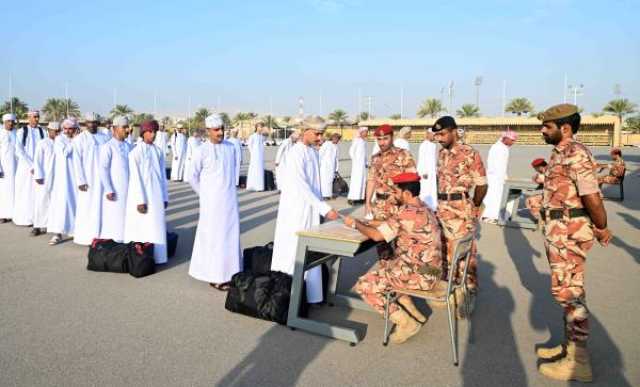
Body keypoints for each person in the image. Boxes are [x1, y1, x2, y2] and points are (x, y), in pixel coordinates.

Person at [536, 104, 611, 382]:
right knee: (568, 290)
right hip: (559, 231)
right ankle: (570, 347)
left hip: (569, 232)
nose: (543, 130)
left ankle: (578, 360)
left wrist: (602, 227)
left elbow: (592, 197)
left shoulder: (576, 153)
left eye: (548, 126)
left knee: (570, 294)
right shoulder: (560, 153)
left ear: (565, 128)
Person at [346, 172, 443, 344]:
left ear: (406, 194)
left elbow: (376, 236)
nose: (394, 195)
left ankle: (406, 323)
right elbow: (395, 223)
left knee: (364, 285)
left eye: (396, 192)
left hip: (419, 275)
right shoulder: (425, 207)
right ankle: (413, 312)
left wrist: (355, 224)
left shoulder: (406, 212)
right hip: (432, 271)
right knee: (389, 269)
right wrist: (369, 222)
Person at [271, 116, 339, 304]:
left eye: (321, 134)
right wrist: (324, 209)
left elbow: (313, 186)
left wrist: (321, 207)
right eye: (317, 134)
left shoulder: (312, 152)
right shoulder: (295, 154)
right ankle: (289, 299)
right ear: (305, 131)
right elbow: (301, 187)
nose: (320, 138)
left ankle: (310, 296)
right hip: (296, 212)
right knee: (293, 250)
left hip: (310, 210)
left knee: (310, 251)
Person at [432, 116, 487, 317]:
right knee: (445, 250)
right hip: (442, 207)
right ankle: (451, 289)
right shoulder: (441, 154)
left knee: (465, 253)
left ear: (454, 131)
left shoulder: (470, 153)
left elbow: (482, 184)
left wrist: (475, 205)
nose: (439, 138)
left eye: (442, 133)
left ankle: (469, 292)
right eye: (436, 134)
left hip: (460, 207)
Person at [188, 114, 241, 289]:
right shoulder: (201, 150)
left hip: (229, 201)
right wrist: (204, 195)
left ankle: (231, 273)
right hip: (211, 203)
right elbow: (192, 177)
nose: (220, 133)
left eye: (222, 129)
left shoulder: (230, 148)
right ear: (208, 131)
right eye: (217, 130)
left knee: (230, 237)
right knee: (214, 238)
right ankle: (215, 275)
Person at [124, 119, 169, 264]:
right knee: (141, 226)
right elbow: (136, 178)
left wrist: (165, 196)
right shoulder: (135, 153)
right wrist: (140, 200)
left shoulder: (158, 151)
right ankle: (142, 258)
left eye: (155, 131)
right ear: (144, 133)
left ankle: (158, 257)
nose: (153, 134)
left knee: (157, 225)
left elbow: (162, 176)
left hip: (156, 196)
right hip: (141, 197)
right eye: (150, 131)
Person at [365, 124, 417, 222]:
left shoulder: (404, 154)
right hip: (380, 206)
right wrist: (367, 203)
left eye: (385, 138)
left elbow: (413, 182)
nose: (382, 142)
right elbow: (371, 180)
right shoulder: (375, 158)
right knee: (378, 235)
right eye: (379, 139)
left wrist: (410, 206)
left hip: (398, 207)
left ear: (392, 138)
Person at [72, 112, 110, 245]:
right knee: (86, 207)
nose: (92, 125)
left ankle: (101, 236)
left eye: (95, 122)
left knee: (102, 207)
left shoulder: (105, 138)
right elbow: (76, 162)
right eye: (89, 122)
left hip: (103, 180)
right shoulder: (79, 139)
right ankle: (86, 237)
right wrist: (80, 181)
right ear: (85, 124)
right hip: (87, 180)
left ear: (98, 124)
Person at [98, 116, 132, 242]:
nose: (127, 130)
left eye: (128, 127)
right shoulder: (108, 147)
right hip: (115, 190)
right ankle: (112, 245)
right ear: (115, 129)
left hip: (128, 189)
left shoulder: (129, 146)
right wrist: (108, 189)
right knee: (114, 217)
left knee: (126, 217)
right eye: (124, 127)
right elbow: (103, 169)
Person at [47, 119, 78, 245]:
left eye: (70, 128)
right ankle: (57, 233)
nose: (68, 131)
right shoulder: (59, 140)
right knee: (61, 205)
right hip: (63, 179)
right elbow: (64, 153)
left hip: (76, 177)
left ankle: (76, 231)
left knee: (75, 203)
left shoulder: (77, 139)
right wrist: (74, 141)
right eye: (65, 128)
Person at [14, 110, 45, 227]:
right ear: (29, 118)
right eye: (34, 117)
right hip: (26, 168)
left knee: (38, 193)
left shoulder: (42, 131)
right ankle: (25, 218)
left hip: (39, 167)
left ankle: (38, 219)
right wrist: (31, 165)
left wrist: (39, 166)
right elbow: (19, 150)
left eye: (38, 117)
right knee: (25, 193)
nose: (36, 119)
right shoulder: (22, 131)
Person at [481, 130, 518, 224]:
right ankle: (488, 216)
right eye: (512, 140)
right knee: (493, 197)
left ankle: (495, 216)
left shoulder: (503, 147)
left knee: (498, 197)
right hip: (494, 178)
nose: (513, 143)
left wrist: (505, 177)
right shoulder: (497, 148)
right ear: (506, 138)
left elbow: (502, 165)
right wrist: (499, 178)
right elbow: (494, 166)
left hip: (499, 178)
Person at [32, 121, 60, 236]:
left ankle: (55, 226)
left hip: (58, 177)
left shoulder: (61, 142)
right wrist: (38, 175)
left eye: (59, 131)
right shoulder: (42, 143)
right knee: (41, 201)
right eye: (55, 131)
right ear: (49, 131)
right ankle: (37, 226)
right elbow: (37, 160)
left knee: (56, 202)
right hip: (44, 177)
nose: (57, 133)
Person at [0, 113, 18, 223]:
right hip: (4, 167)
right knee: (3, 191)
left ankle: (12, 214)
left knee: (14, 190)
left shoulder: (16, 133)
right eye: (8, 121)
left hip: (16, 166)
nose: (11, 123)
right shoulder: (0, 133)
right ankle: (2, 215)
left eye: (12, 122)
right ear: (4, 122)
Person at [417, 128, 438, 211]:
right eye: (433, 135)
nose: (434, 137)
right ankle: (423, 206)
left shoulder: (433, 145)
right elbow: (421, 159)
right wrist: (423, 172)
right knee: (425, 190)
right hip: (425, 173)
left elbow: (433, 160)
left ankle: (432, 206)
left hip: (432, 172)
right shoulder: (424, 145)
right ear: (428, 134)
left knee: (432, 189)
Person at [347, 126, 368, 205]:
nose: (366, 133)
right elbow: (351, 151)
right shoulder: (357, 140)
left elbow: (364, 154)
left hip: (362, 166)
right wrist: (355, 160)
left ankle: (359, 198)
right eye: (365, 131)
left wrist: (366, 163)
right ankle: (351, 198)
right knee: (356, 181)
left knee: (362, 181)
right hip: (357, 165)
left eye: (367, 131)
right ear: (361, 132)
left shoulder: (364, 142)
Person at [319, 132, 340, 200]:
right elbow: (320, 154)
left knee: (330, 181)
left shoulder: (336, 146)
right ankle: (323, 195)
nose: (337, 140)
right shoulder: (326, 144)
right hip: (324, 166)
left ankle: (328, 195)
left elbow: (336, 158)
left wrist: (336, 168)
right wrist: (319, 164)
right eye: (336, 138)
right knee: (324, 181)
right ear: (333, 138)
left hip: (332, 167)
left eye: (338, 139)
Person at [246, 122, 266, 191]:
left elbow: (263, 145)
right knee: (254, 170)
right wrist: (253, 153)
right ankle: (252, 186)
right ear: (256, 127)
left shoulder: (262, 137)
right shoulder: (253, 136)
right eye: (260, 127)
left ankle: (259, 187)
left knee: (259, 170)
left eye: (262, 127)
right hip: (254, 156)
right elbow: (249, 145)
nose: (261, 128)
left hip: (260, 156)